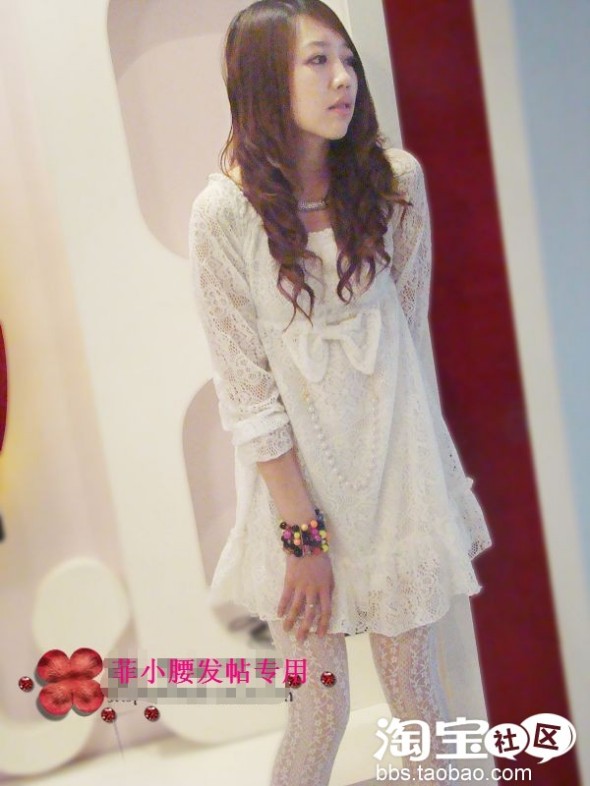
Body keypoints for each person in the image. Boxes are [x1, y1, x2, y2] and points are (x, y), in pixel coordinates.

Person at [189, 1, 493, 784]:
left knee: (421, 700)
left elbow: (406, 342)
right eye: (317, 61)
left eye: (347, 60)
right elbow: (247, 396)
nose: (342, 79)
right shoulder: (223, 214)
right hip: (297, 502)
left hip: (397, 483)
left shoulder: (394, 182)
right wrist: (304, 541)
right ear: (265, 78)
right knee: (319, 715)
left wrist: (417, 483)